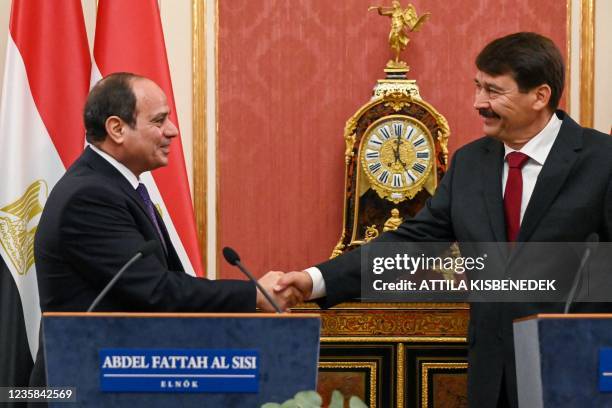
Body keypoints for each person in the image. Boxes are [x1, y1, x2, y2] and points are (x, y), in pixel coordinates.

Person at [273, 32, 612, 408]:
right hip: (491, 378)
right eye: (477, 87)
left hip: (578, 372)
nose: (478, 103)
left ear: (540, 96)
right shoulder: (469, 164)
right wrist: (313, 280)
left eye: (494, 91)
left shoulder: (602, 160)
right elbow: (409, 244)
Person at [30, 73, 299, 386]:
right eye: (159, 121)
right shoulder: (88, 197)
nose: (172, 131)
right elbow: (155, 291)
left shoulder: (116, 187)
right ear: (117, 129)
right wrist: (253, 294)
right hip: (88, 384)